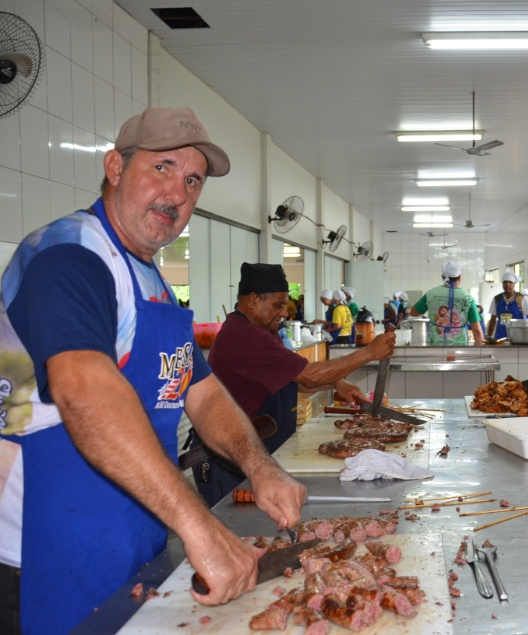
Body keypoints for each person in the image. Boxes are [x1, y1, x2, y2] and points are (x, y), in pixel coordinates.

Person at [0, 107, 305, 635]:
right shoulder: (69, 256)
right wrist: (200, 525)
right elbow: (84, 393)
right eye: (162, 168)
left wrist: (260, 467)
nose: (178, 192)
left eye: (192, 180)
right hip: (40, 550)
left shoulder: (149, 279)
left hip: (128, 540)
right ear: (115, 167)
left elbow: (202, 393)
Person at [194, 262, 396, 506]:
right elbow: (308, 375)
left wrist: (336, 384)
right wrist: (369, 353)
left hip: (253, 454)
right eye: (277, 305)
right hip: (228, 462)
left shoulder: (261, 331)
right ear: (253, 300)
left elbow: (290, 380)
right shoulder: (245, 336)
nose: (284, 313)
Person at [410, 261, 485, 346]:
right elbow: (477, 330)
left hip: (435, 347)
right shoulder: (467, 298)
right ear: (459, 277)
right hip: (460, 348)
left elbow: (413, 312)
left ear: (442, 277)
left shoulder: (431, 294)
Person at [487, 272, 528, 341]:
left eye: (510, 282)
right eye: (505, 282)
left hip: (518, 338)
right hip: (500, 338)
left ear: (514, 284)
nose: (507, 284)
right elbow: (493, 320)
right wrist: (489, 337)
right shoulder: (497, 299)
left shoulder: (522, 299)